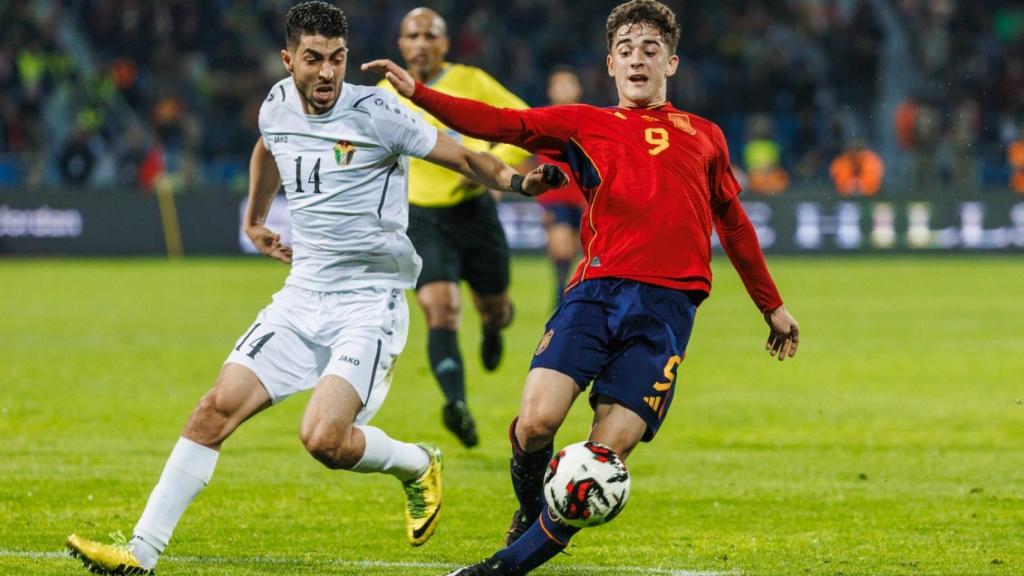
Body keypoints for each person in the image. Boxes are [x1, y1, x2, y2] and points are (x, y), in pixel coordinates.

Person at [64, 3, 564, 574]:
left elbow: (464, 156)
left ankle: (415, 462)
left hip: (368, 301)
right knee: (212, 411)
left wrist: (519, 182)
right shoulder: (276, 103)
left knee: (324, 439)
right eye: (313, 59)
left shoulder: (377, 111)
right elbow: (267, 146)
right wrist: (255, 220)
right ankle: (140, 553)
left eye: (337, 59)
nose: (327, 73)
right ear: (288, 59)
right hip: (302, 295)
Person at [364, 0, 801, 574]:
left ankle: (503, 567)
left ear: (671, 62)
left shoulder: (706, 137)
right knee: (536, 422)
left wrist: (771, 306)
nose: (638, 60)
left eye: (650, 50)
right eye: (626, 51)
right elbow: (500, 123)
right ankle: (528, 510)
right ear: (611, 64)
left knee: (602, 458)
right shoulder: (585, 124)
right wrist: (419, 94)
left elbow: (735, 224)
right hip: (595, 294)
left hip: (666, 313)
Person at [376, 7, 533, 449]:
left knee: (495, 307)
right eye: (413, 35)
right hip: (420, 218)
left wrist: (490, 167)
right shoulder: (381, 95)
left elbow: (522, 124)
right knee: (440, 310)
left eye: (430, 35)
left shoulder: (470, 79)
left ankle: (494, 327)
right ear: (401, 44)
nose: (421, 43)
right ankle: (456, 404)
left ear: (444, 44)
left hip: (473, 211)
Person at [535, 67, 587, 307]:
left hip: (583, 197)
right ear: (550, 91)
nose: (565, 89)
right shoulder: (540, 119)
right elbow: (523, 154)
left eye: (569, 84)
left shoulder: (589, 120)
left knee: (578, 247)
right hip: (554, 197)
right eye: (560, 84)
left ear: (579, 89)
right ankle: (560, 289)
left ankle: (571, 288)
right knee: (561, 246)